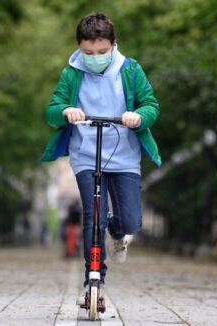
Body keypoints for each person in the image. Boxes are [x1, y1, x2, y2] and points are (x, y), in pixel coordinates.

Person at [39, 12, 161, 305]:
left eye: (102, 52)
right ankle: (94, 281)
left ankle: (118, 231)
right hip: (86, 155)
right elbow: (52, 109)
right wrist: (65, 111)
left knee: (130, 220)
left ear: (114, 44)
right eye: (87, 52)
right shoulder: (72, 72)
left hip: (124, 157)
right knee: (93, 219)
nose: (94, 57)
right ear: (79, 47)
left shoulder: (130, 70)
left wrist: (138, 116)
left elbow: (151, 105)